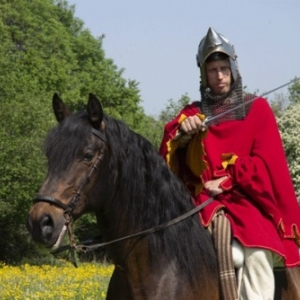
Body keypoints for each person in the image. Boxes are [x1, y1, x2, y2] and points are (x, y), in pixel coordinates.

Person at [159, 27, 300, 299]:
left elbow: (267, 165)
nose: (220, 76)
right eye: (213, 70)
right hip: (205, 202)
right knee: (222, 253)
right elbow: (168, 161)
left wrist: (228, 177)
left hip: (248, 200)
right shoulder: (193, 114)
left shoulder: (257, 109)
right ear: (203, 74)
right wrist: (185, 135)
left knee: (257, 251)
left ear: (233, 68)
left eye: (224, 68)